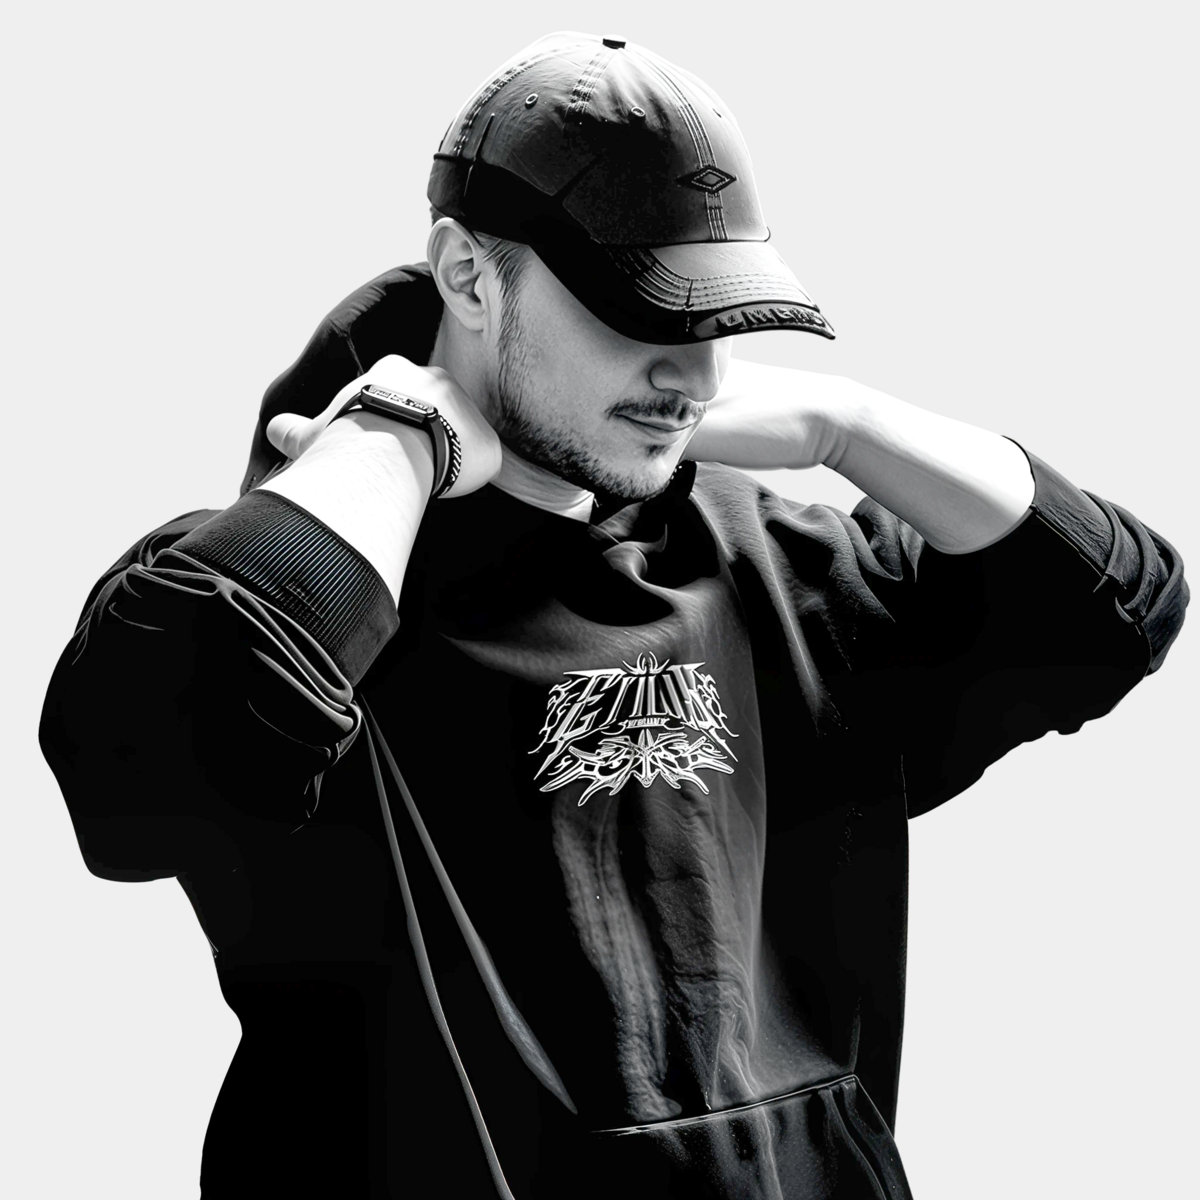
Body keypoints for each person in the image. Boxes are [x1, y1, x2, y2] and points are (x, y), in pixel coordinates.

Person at [39, 31, 1187, 1200]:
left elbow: (1111, 606)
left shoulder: (776, 565)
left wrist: (845, 424)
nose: (698, 379)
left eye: (719, 321)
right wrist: (395, 441)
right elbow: (139, 781)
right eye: (642, 313)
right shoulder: (297, 591)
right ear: (470, 276)